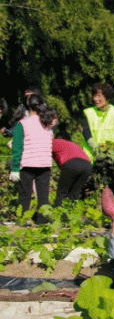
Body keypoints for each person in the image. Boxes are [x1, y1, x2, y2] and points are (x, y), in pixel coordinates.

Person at [9, 94, 54, 224]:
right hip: (45, 164)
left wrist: (15, 168)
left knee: (25, 195)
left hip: (28, 164)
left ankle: (22, 219)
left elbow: (17, 148)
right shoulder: (47, 123)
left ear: (27, 106)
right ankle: (42, 221)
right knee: (43, 197)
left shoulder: (22, 124)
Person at [81, 82, 114, 163]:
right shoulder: (88, 113)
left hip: (113, 160)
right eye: (94, 96)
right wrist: (95, 147)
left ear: (107, 97)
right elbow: (86, 132)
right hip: (92, 159)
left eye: (99, 96)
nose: (96, 99)